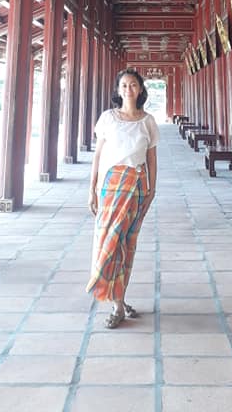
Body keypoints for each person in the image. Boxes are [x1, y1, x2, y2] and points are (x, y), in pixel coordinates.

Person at [86, 68, 159, 328]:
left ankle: (120, 299)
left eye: (133, 85)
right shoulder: (108, 118)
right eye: (124, 85)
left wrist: (151, 189)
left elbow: (151, 158)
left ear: (140, 90)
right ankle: (116, 300)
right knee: (108, 241)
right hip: (111, 187)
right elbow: (97, 155)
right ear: (118, 90)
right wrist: (92, 187)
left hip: (136, 187)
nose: (129, 89)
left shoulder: (148, 121)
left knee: (127, 244)